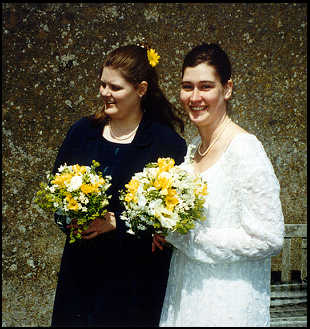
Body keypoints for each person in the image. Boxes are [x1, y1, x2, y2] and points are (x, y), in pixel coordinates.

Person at [51, 44, 187, 327]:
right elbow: (56, 195)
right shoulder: (82, 133)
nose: (104, 93)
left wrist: (118, 224)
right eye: (102, 84)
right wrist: (72, 219)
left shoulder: (166, 144)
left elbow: (171, 222)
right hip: (81, 276)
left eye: (115, 87)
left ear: (141, 89)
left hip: (134, 284)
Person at [152, 43, 284, 327]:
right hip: (185, 294)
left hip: (228, 303)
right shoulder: (194, 150)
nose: (195, 97)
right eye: (187, 86)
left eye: (206, 86)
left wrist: (189, 239)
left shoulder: (245, 150)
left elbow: (268, 237)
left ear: (227, 89)